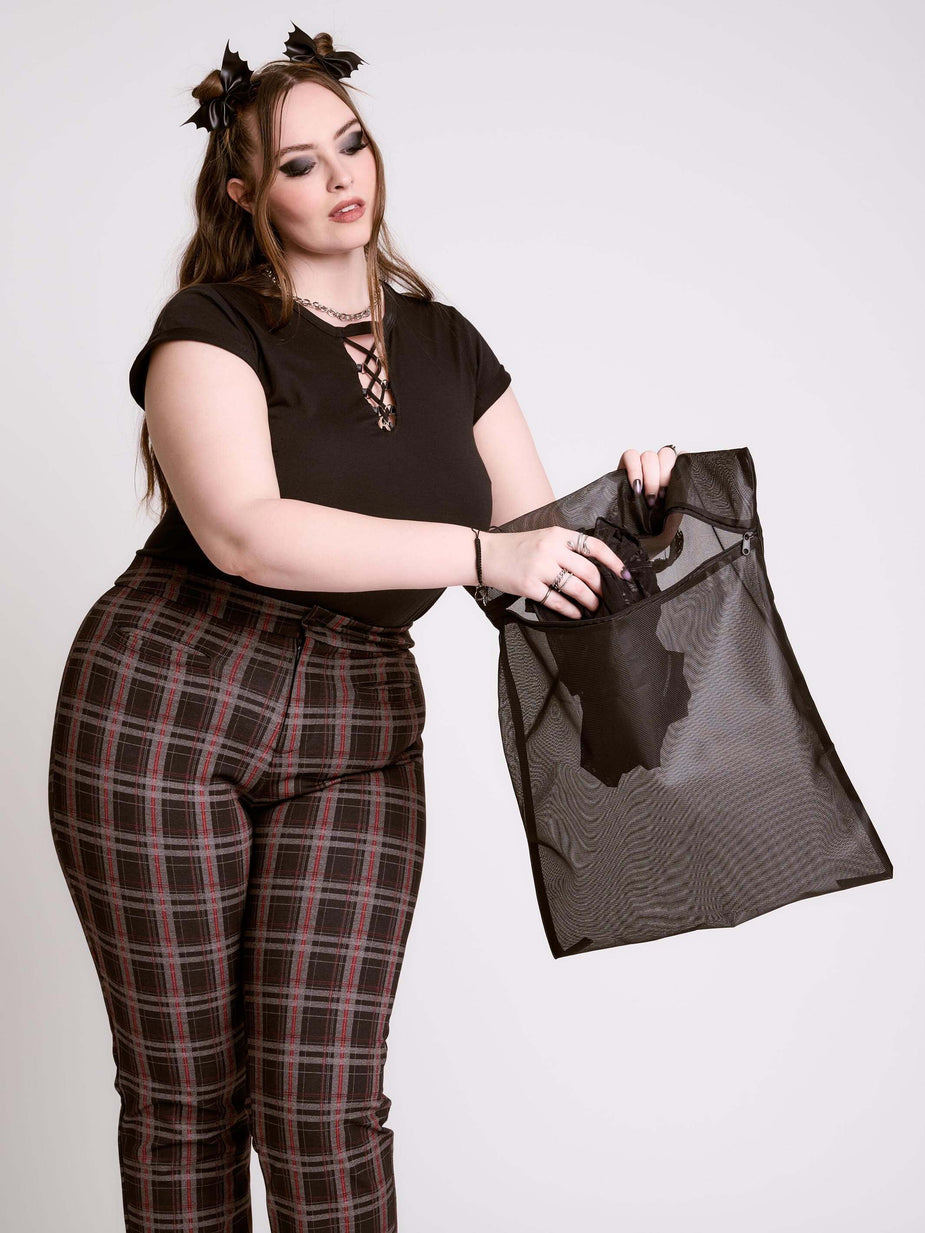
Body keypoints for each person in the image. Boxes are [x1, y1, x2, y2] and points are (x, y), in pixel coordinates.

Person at [47, 25, 678, 1233]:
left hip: (358, 719)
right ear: (245, 193)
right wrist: (483, 552)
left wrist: (639, 522)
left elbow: (527, 566)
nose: (342, 177)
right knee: (187, 1103)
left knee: (326, 1112)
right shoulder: (209, 327)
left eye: (352, 144)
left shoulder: (450, 346)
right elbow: (244, 531)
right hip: (166, 700)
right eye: (300, 163)